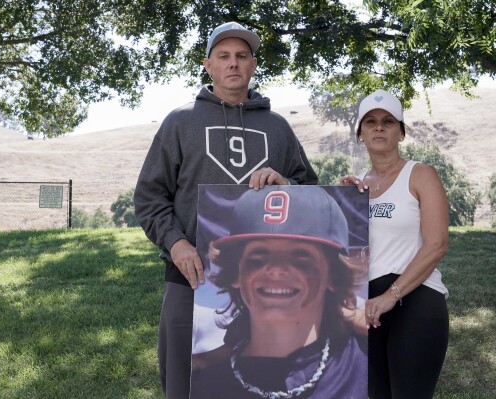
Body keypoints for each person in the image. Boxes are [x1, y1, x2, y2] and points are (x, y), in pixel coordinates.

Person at [134, 21, 318, 398]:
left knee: (260, 385)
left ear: (253, 65)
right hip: (191, 278)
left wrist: (288, 186)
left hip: (267, 283)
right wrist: (176, 244)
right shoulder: (180, 122)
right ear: (208, 65)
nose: (233, 64)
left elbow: (310, 191)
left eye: (241, 56)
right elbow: (150, 197)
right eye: (223, 56)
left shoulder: (278, 127)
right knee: (186, 384)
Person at [189, 185, 368, 399]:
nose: (275, 269)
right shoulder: (205, 383)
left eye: (300, 257)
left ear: (333, 275)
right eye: (258, 257)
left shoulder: (366, 365)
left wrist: (353, 313)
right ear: (237, 273)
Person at [340, 89, 450, 398]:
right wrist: (342, 203)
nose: (379, 127)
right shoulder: (357, 185)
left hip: (414, 301)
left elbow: (437, 244)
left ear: (400, 132)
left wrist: (392, 295)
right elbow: (346, 251)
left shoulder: (420, 174)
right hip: (368, 307)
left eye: (388, 121)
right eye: (370, 122)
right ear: (360, 133)